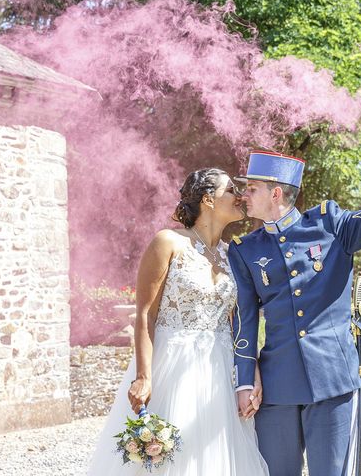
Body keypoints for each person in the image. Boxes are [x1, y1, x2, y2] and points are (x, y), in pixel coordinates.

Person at [228, 124, 361, 476]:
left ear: (276, 193)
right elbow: (244, 320)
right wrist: (246, 380)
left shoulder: (330, 224)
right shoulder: (245, 250)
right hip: (277, 389)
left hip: (333, 380)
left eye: (252, 188)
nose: (244, 195)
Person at [87, 168, 269, 476]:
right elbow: (146, 313)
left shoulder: (233, 254)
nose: (240, 197)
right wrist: (143, 376)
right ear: (208, 199)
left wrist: (252, 373)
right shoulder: (168, 242)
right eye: (231, 191)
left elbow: (241, 323)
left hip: (221, 373)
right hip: (174, 366)